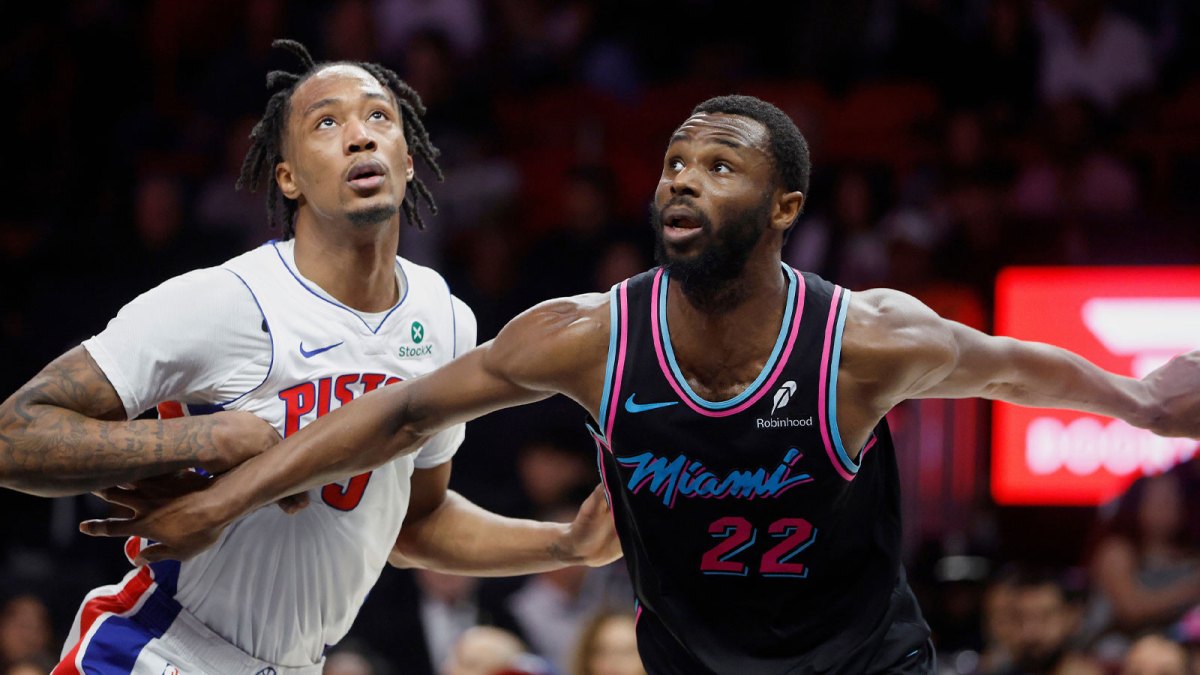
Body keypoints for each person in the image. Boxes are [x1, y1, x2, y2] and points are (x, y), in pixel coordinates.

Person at [83, 94, 1200, 674]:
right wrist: (225, 497)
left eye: (721, 166)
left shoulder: (861, 341)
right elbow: (402, 412)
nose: (682, 179)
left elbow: (1019, 370)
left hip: (863, 659)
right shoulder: (589, 339)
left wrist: (1143, 400)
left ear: (783, 210)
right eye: (673, 161)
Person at [0, 39, 617, 673]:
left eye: (379, 117)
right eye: (327, 122)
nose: (359, 136)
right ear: (288, 176)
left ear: (408, 158)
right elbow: (13, 436)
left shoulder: (444, 318)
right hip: (160, 649)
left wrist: (566, 543)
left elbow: (416, 524)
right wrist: (202, 437)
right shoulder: (223, 302)